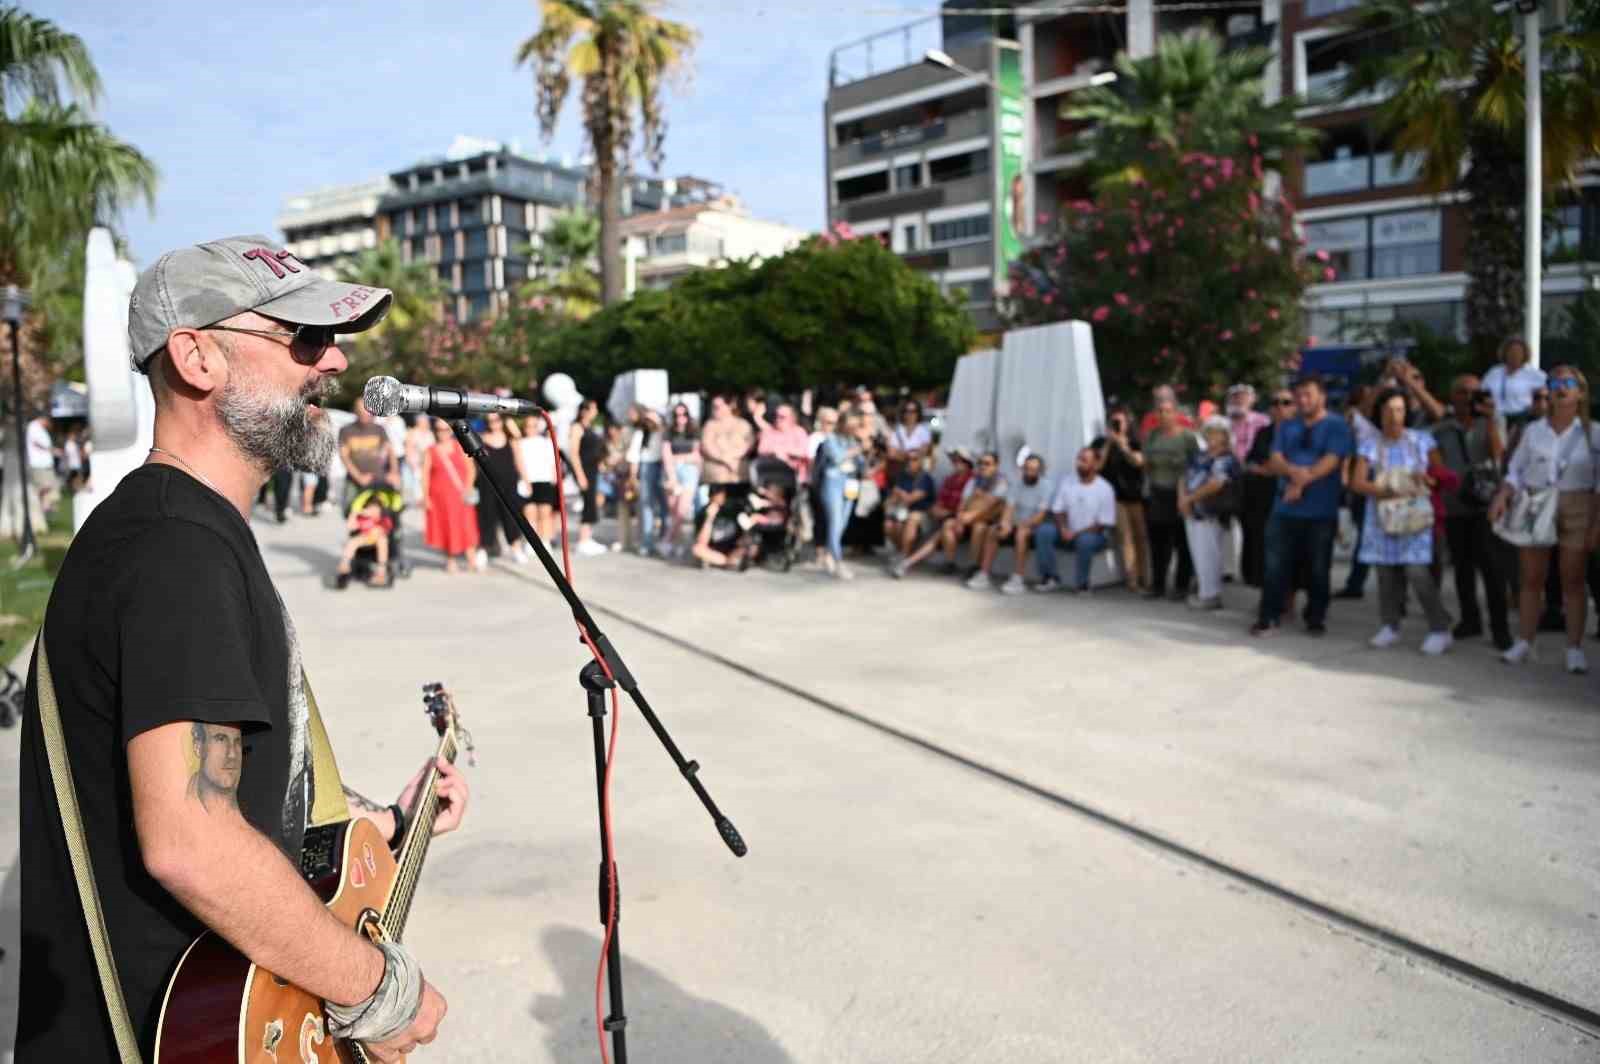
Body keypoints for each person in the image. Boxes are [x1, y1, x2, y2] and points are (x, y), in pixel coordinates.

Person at [19, 235, 461, 1062]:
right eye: (300, 338)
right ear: (196, 357)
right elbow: (194, 841)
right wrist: (379, 990)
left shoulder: (182, 534)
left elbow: (227, 782)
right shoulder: (173, 547)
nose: (331, 360)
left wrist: (386, 821)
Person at [1489, 364, 1600, 673]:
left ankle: (1574, 648)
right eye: (1554, 381)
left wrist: (1596, 523)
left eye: (1568, 381)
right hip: (1536, 503)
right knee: (1531, 578)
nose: (1560, 386)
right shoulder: (1533, 431)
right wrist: (1502, 496)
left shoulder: (1594, 433)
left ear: (1580, 393)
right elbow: (1516, 471)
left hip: (1577, 503)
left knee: (1573, 579)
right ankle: (1525, 641)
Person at [1346, 388, 1455, 654]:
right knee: (1385, 573)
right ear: (1379, 413)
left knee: (1417, 572)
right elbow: (1357, 482)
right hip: (1381, 514)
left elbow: (1439, 473)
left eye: (1399, 409)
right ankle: (1389, 625)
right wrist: (1385, 491)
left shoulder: (1422, 440)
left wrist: (1427, 479)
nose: (1394, 416)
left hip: (1414, 514)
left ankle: (1439, 627)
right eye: (1388, 410)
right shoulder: (1369, 444)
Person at [1252, 374, 1354, 637]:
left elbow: (1332, 460)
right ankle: (1268, 616)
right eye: (1298, 395)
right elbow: (1275, 459)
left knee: (1319, 567)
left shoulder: (1337, 425)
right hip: (1284, 509)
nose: (1302, 400)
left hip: (1320, 510)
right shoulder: (1287, 426)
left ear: (1321, 396)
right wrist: (1295, 474)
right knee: (1274, 565)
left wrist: (1300, 482)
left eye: (1308, 394)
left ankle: (1315, 618)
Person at [1432, 374, 1511, 649]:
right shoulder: (1441, 428)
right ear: (1453, 396)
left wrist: (1489, 419)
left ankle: (1500, 629)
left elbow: (1499, 454)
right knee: (1463, 569)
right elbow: (1436, 462)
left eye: (1474, 393)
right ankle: (1470, 620)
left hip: (1485, 506)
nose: (1468, 398)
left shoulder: (1492, 421)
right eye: (1462, 392)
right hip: (1454, 506)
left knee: (1492, 569)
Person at [892, 451, 1008, 579]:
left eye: (987, 463)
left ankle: (972, 566)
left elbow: (992, 506)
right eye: (980, 463)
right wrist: (960, 518)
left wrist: (971, 512)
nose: (983, 466)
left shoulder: (1000, 481)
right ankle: (934, 563)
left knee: (978, 527)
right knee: (946, 526)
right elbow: (963, 503)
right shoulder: (973, 481)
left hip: (983, 520)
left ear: (996, 466)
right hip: (964, 519)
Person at [1179, 417, 1243, 610]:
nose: (1211, 436)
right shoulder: (1200, 455)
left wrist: (1189, 499)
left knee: (1209, 553)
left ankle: (1210, 595)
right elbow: (1184, 476)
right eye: (1209, 432)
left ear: (1225, 436)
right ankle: (1204, 590)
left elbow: (1216, 483)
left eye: (1216, 432)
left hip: (1211, 511)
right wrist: (1182, 499)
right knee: (1198, 552)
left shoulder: (1227, 459)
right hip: (1192, 510)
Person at [1034, 446, 1115, 593]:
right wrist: (1064, 529)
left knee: (1086, 540)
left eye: (1084, 460)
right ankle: (1050, 578)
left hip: (1093, 536)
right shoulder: (1067, 481)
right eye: (1078, 459)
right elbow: (1058, 510)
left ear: (1095, 464)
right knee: (1044, 531)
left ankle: (1082, 584)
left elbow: (1102, 524)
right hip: (1067, 532)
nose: (1079, 463)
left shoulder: (1105, 488)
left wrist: (1076, 534)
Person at [1142, 395, 1199, 600]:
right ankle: (1157, 585)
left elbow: (1196, 466)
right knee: (1158, 543)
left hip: (1180, 493)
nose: (1163, 415)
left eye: (1168, 411)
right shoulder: (1151, 436)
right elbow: (1146, 463)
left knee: (1182, 542)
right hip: (1158, 492)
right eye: (1160, 411)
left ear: (1176, 414)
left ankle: (1181, 586)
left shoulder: (1187, 438)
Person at [1241, 388, 1295, 588]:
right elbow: (1251, 462)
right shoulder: (1264, 432)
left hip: (1287, 495)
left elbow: (1285, 465)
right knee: (1259, 536)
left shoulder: (1298, 432)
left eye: (1286, 402)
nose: (1280, 407)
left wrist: (1271, 468)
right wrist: (1270, 468)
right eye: (1275, 402)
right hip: (1261, 495)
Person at [980, 453, 1054, 594]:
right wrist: (1005, 523)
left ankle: (1018, 578)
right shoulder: (1016, 483)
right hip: (1015, 523)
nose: (1029, 472)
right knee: (993, 530)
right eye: (1027, 469)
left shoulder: (1046, 486)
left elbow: (1040, 516)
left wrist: (1022, 525)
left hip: (1034, 527)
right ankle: (983, 574)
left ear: (1040, 471)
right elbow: (1009, 508)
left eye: (1033, 470)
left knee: (1021, 534)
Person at [1093, 408, 1149, 593]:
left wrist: (1124, 447)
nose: (1117, 426)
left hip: (1135, 496)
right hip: (1115, 497)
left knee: (1141, 537)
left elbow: (1138, 462)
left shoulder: (1134, 442)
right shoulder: (1101, 443)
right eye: (1113, 422)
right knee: (1126, 538)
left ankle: (1146, 578)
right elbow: (1097, 467)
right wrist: (1110, 444)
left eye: (1120, 422)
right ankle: (1132, 579)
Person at [423, 416, 481, 573]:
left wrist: (468, 489)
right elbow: (425, 475)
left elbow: (471, 470)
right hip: (440, 497)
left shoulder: (459, 446)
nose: (442, 433)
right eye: (438, 430)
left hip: (460, 494)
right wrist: (426, 497)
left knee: (467, 525)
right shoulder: (431, 450)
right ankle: (451, 560)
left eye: (445, 430)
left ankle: (471, 558)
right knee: (447, 526)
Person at [813, 411, 867, 579]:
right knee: (835, 522)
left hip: (850, 483)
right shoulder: (830, 439)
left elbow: (862, 465)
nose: (853, 429)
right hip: (833, 483)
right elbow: (837, 458)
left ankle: (830, 553)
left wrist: (865, 449)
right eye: (851, 425)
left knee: (842, 523)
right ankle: (838, 561)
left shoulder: (853, 441)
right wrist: (857, 449)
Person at [472, 411, 522, 566]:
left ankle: (515, 548)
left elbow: (518, 459)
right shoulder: (481, 438)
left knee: (511, 516)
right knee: (487, 516)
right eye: (490, 420)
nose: (494, 423)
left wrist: (525, 479)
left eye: (497, 420)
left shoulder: (511, 439)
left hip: (508, 483)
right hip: (486, 484)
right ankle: (483, 549)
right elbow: (473, 464)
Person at [338, 396, 397, 506]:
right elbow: (344, 457)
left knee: (385, 512)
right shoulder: (346, 430)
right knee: (349, 512)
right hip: (355, 480)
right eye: (361, 411)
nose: (365, 414)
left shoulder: (379, 429)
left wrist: (394, 472)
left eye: (368, 411)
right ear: (356, 411)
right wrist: (359, 477)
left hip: (378, 478)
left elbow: (390, 451)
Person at [662, 402, 702, 557]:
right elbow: (666, 455)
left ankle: (667, 540)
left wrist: (678, 458)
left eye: (684, 414)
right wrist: (672, 477)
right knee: (673, 511)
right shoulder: (669, 432)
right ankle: (677, 544)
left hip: (689, 472)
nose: (681, 418)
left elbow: (697, 455)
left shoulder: (694, 431)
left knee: (681, 511)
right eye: (677, 415)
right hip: (672, 472)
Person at [568, 399, 607, 557]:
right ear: (584, 411)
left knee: (593, 501)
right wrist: (580, 475)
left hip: (592, 469)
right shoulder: (577, 427)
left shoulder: (590, 428)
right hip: (583, 470)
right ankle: (583, 540)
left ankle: (587, 537)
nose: (596, 412)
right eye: (593, 409)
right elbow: (574, 453)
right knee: (588, 502)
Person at [626, 405, 667, 556]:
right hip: (646, 467)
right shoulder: (641, 433)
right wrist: (632, 477)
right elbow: (634, 455)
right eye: (647, 419)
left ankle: (664, 540)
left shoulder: (663, 432)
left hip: (662, 466)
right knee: (646, 505)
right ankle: (647, 542)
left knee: (665, 507)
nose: (649, 422)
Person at [514, 413, 559, 551]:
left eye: (534, 426)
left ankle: (545, 540)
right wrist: (525, 479)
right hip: (528, 481)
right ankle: (531, 543)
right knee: (530, 513)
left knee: (545, 512)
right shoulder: (520, 442)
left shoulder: (546, 442)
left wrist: (554, 478)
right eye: (528, 426)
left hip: (544, 480)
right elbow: (519, 462)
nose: (531, 429)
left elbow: (553, 461)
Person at [883, 451, 937, 558]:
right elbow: (890, 500)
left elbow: (910, 499)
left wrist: (899, 492)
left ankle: (904, 554)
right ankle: (901, 551)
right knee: (888, 525)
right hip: (903, 510)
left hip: (921, 513)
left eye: (914, 459)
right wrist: (895, 497)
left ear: (921, 462)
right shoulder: (903, 476)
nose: (910, 462)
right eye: (908, 459)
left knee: (911, 519)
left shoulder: (925, 478)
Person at [1481, 336, 1547, 422]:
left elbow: (1546, 394)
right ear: (1505, 353)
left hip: (1523, 419)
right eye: (1511, 351)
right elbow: (1482, 392)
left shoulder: (1535, 375)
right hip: (1495, 418)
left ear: (1524, 354)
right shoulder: (1494, 373)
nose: (1514, 354)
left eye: (1518, 351)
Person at [700, 394, 754, 495]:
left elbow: (749, 444)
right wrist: (724, 459)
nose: (715, 410)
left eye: (718, 407)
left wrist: (733, 457)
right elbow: (707, 446)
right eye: (713, 407)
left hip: (739, 471)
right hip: (716, 472)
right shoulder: (709, 425)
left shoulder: (743, 424)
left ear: (729, 406)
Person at [336, 494, 393, 588]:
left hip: (378, 538)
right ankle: (344, 564)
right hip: (364, 538)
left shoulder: (382, 519)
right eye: (370, 508)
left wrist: (378, 524)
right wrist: (354, 514)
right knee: (352, 542)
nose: (373, 511)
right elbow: (350, 527)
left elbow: (387, 528)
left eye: (376, 509)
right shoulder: (362, 518)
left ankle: (381, 572)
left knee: (383, 540)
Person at [807, 406, 839, 566]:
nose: (831, 426)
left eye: (834, 422)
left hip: (837, 484)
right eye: (827, 422)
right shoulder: (815, 439)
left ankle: (832, 551)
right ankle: (820, 551)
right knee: (820, 518)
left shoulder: (838, 438)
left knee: (835, 519)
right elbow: (811, 463)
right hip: (820, 483)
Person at [758, 402, 811, 482]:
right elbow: (761, 450)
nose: (778, 419)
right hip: (772, 474)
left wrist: (785, 451)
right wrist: (775, 451)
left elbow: (804, 452)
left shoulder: (799, 432)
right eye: (776, 416)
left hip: (795, 476)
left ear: (792, 418)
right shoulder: (768, 432)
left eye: (782, 417)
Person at [887, 399, 933, 482]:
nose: (910, 414)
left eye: (913, 411)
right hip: (899, 473)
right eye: (907, 411)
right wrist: (912, 452)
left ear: (918, 413)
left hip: (917, 475)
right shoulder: (897, 430)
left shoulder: (924, 431)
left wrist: (902, 453)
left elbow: (924, 452)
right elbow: (891, 453)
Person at [402, 413, 434, 508]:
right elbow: (408, 450)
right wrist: (413, 465)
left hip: (427, 464)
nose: (427, 423)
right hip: (415, 465)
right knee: (416, 486)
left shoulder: (430, 433)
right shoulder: (412, 433)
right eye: (425, 421)